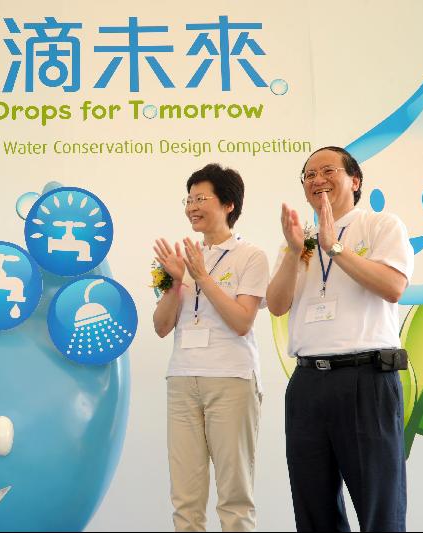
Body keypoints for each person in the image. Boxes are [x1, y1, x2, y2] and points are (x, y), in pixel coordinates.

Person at [267, 146, 413, 532]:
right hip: (308, 383)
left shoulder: (381, 226)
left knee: (378, 506)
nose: (317, 180)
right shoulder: (300, 241)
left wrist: (337, 248)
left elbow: (393, 286)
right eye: (308, 175)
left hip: (365, 378)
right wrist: (295, 251)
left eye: (327, 170)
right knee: (314, 509)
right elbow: (277, 304)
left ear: (355, 180)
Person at [153, 163, 269, 532]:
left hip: (231, 379)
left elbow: (241, 322)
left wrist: (202, 276)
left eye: (201, 198)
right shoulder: (180, 259)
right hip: (183, 380)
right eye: (188, 200)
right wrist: (175, 281)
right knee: (185, 498)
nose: (191, 207)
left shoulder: (250, 255)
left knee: (235, 496)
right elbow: (160, 327)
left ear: (229, 204)